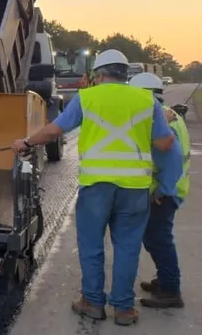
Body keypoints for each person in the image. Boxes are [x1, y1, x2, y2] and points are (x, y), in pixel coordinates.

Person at [11, 49, 176, 326]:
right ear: (126, 75)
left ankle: (92, 302)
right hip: (135, 188)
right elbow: (164, 144)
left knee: (91, 246)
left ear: (98, 74)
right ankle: (124, 309)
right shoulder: (147, 100)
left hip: (96, 186)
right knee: (127, 247)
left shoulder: (87, 98)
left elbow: (54, 131)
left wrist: (26, 143)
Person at [128, 72, 189, 309]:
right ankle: (164, 280)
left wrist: (162, 190)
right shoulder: (166, 115)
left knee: (159, 240)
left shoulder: (163, 121)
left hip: (166, 192)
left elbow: (172, 160)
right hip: (170, 188)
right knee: (155, 239)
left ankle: (171, 290)